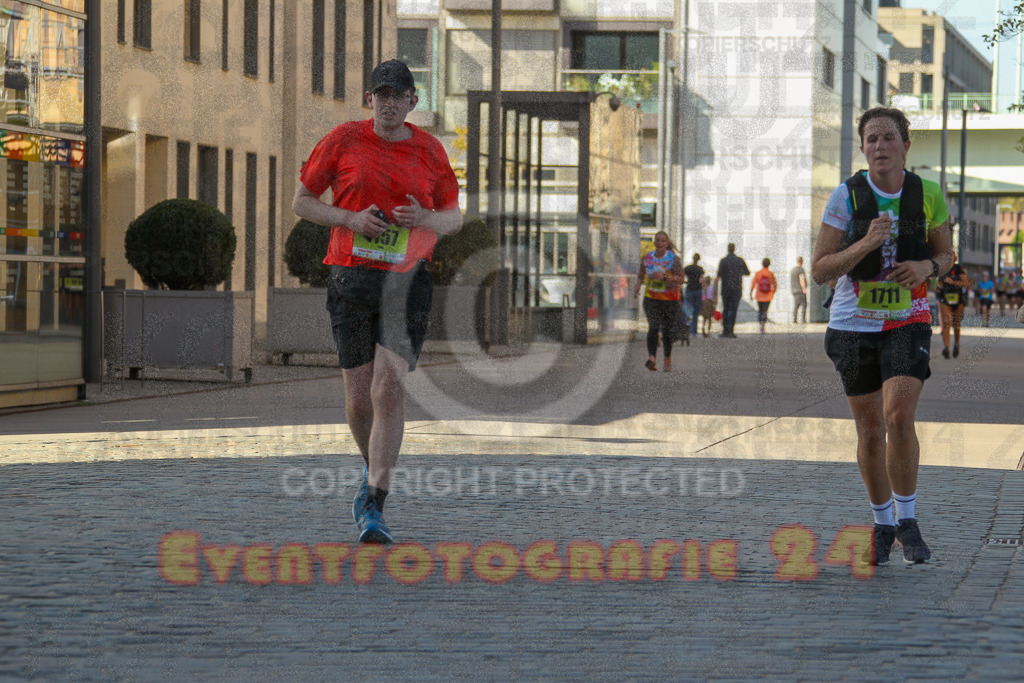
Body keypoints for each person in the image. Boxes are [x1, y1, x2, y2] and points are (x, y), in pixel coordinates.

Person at [291, 59, 462, 544]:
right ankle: (375, 470)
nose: (389, 104)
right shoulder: (343, 139)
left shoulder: (430, 150)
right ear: (370, 100)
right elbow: (302, 201)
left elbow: (453, 218)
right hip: (352, 278)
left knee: (389, 388)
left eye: (398, 96)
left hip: (407, 283)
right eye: (380, 95)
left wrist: (425, 217)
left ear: (413, 101)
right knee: (359, 395)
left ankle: (374, 501)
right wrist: (348, 219)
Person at [811, 106, 954, 566]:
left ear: (905, 145)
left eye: (888, 137)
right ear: (863, 147)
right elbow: (820, 270)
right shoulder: (846, 197)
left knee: (897, 417)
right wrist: (866, 244)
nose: (879, 146)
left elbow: (947, 254)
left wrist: (927, 267)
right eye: (871, 139)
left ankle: (908, 521)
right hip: (852, 326)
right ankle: (882, 523)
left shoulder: (928, 194)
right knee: (871, 432)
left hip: (907, 320)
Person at [634, 231, 684, 371]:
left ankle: (667, 358)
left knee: (667, 331)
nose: (660, 243)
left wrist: (665, 278)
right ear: (654, 242)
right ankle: (652, 358)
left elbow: (681, 278)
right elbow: (641, 274)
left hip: (670, 300)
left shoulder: (673, 259)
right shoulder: (647, 257)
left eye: (663, 241)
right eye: (658, 240)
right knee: (653, 327)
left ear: (667, 243)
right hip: (652, 298)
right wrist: (637, 287)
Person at [936, 255, 969, 358]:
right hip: (945, 298)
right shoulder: (942, 269)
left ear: (955, 258)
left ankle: (956, 344)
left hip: (957, 298)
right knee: (946, 323)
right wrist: (938, 286)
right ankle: (946, 348)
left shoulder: (959, 269)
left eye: (952, 255)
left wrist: (953, 282)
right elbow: (938, 283)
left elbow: (965, 283)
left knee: (956, 323)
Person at [715, 243, 749, 338]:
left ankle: (725, 330)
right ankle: (731, 330)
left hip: (725, 288)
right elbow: (747, 272)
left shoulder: (723, 261)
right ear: (734, 249)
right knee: (734, 309)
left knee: (725, 309)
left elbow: (719, 275)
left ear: (727, 249)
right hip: (737, 288)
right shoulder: (740, 261)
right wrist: (738, 272)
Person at [750, 257, 778, 334]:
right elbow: (775, 284)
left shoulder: (758, 273)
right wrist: (772, 292)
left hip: (759, 295)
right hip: (768, 296)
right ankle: (763, 327)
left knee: (760, 310)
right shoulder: (770, 274)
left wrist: (751, 293)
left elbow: (753, 283)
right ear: (769, 264)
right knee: (765, 311)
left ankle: (760, 326)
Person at [683, 253, 705, 339]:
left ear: (692, 258)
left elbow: (682, 277)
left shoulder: (688, 268)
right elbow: (702, 280)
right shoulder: (700, 269)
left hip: (689, 290)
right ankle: (693, 332)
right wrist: (705, 292)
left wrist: (685, 283)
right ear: (698, 259)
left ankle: (685, 331)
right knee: (696, 312)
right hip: (698, 290)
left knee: (687, 311)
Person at [790, 256, 808, 323]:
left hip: (794, 290)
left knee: (796, 305)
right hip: (800, 290)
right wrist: (804, 288)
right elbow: (802, 279)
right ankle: (803, 320)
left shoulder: (793, 270)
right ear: (802, 261)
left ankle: (794, 319)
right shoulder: (801, 269)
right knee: (804, 305)